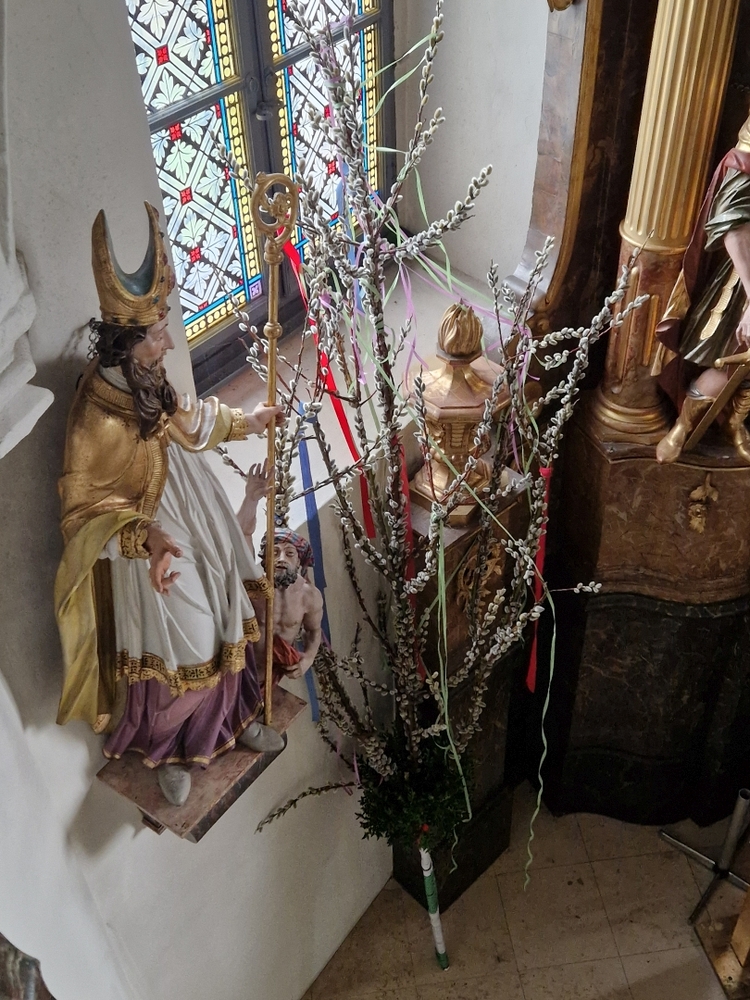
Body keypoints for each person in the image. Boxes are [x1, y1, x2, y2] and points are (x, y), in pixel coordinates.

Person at [55, 203, 284, 808]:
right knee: (191, 639)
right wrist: (147, 540)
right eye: (158, 333)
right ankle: (172, 748)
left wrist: (248, 420)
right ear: (128, 342)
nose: (169, 341)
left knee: (229, 604)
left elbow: (188, 420)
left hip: (193, 506)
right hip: (147, 544)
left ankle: (231, 722)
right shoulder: (94, 418)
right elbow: (81, 517)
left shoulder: (147, 378)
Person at [654, 114, 750, 464]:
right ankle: (682, 427)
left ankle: (734, 423)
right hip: (741, 280)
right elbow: (734, 231)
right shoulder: (744, 160)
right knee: (728, 362)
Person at [237, 464, 324, 680]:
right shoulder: (253, 582)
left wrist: (308, 659)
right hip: (240, 673)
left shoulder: (308, 596)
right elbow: (242, 533)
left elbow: (314, 631)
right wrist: (251, 499)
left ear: (298, 561)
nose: (281, 559)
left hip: (271, 675)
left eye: (289, 553)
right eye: (274, 553)